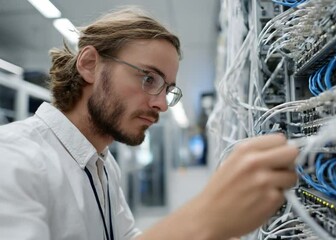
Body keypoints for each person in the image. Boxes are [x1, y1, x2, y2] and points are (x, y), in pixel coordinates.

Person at [0, 7, 298, 240]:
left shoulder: (103, 165)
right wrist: (201, 220)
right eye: (148, 79)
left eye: (168, 89)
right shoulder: (14, 159)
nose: (162, 104)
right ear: (89, 64)